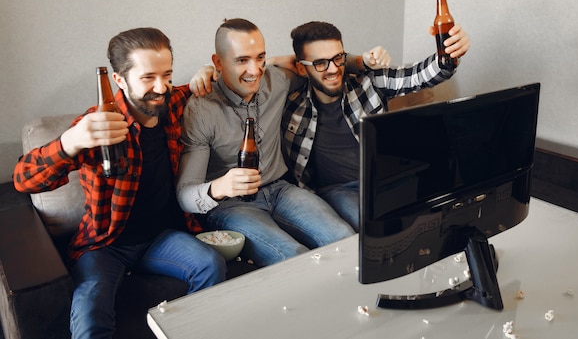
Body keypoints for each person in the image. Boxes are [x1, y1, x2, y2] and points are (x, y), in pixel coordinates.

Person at [13, 27, 226, 339]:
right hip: (106, 243)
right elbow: (23, 180)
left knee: (210, 264)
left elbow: (225, 76)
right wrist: (70, 142)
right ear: (119, 80)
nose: (161, 87)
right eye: (148, 77)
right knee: (90, 308)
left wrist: (209, 70)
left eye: (166, 74)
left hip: (162, 237)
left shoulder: (175, 104)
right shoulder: (96, 126)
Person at [176, 18, 355, 267]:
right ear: (218, 62)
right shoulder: (202, 109)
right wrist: (220, 186)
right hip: (231, 206)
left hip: (281, 189)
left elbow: (317, 65)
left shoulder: (276, 81)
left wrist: (364, 60)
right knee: (294, 258)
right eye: (241, 60)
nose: (254, 70)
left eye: (260, 57)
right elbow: (184, 194)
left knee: (346, 240)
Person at [280, 21, 470, 231]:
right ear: (301, 68)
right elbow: (257, 77)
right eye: (320, 63)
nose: (333, 69)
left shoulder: (368, 83)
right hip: (339, 191)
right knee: (371, 227)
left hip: (384, 182)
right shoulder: (290, 105)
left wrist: (450, 54)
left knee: (444, 214)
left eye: (338, 58)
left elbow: (421, 75)